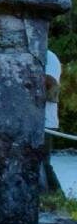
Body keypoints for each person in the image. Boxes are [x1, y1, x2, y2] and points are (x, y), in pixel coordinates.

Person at [44, 49, 62, 192]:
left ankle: (57, 197)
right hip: (37, 121)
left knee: (44, 164)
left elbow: (51, 83)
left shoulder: (49, 57)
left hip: (46, 121)